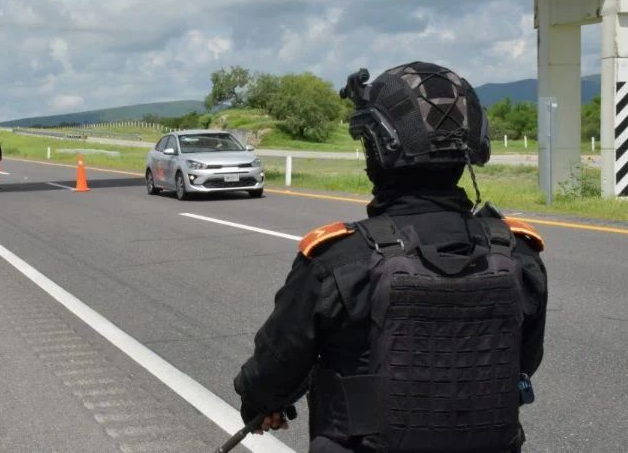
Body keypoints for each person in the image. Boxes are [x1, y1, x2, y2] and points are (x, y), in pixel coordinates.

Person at [232, 62, 548, 452]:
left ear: (379, 150)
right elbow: (524, 363)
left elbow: (275, 366)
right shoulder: (518, 252)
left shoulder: (339, 259)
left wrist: (259, 403)